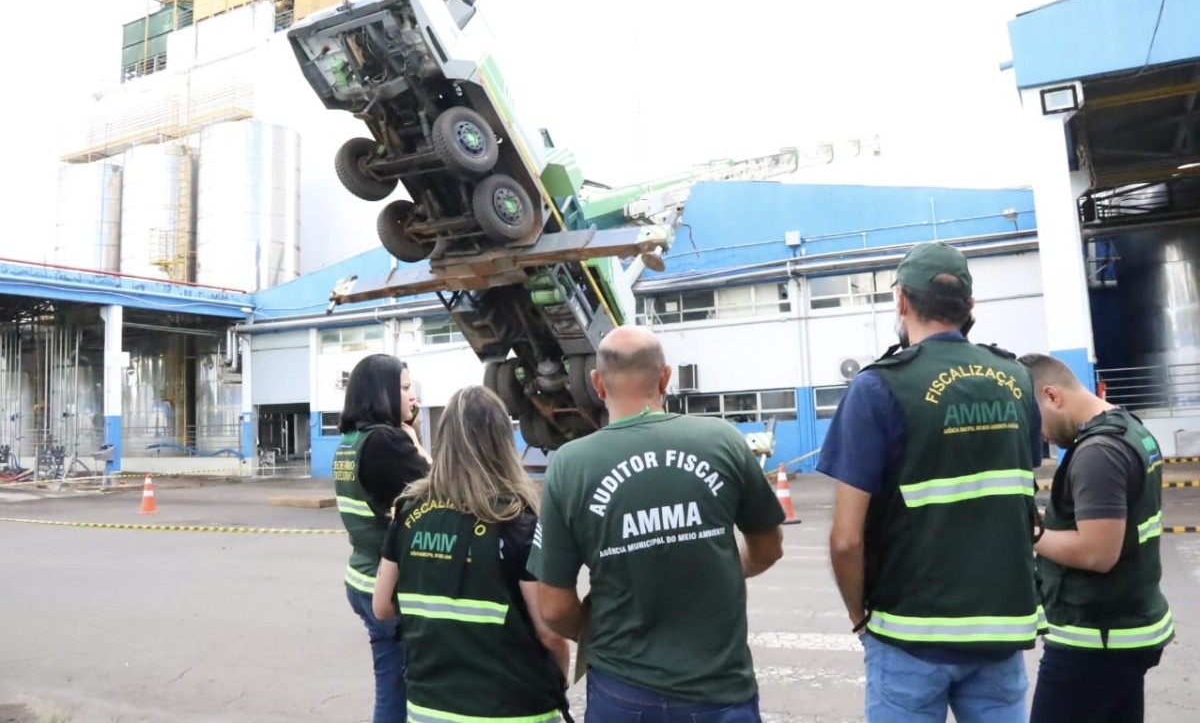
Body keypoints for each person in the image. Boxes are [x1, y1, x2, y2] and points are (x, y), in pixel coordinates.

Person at [818, 242, 1044, 722]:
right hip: (1001, 629)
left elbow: (845, 540)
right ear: (970, 309)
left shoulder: (878, 387)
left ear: (901, 301)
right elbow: (1022, 496)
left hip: (910, 633)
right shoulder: (1017, 379)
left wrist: (861, 620)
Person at [528, 325, 785, 721]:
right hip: (720, 687)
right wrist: (724, 568)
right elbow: (769, 547)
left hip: (622, 689)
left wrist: (603, 638)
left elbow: (554, 606)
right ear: (665, 377)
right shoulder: (723, 440)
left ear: (596, 384)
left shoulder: (570, 465)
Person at [372, 385, 571, 722]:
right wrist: (560, 680)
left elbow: (382, 605)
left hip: (428, 708)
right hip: (513, 709)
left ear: (445, 440)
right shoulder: (517, 521)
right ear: (502, 442)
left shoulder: (409, 512)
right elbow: (550, 631)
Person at [1017, 353, 1174, 723]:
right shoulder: (1130, 429)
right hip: (1127, 630)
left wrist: (1029, 533)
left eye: (1033, 419)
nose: (1036, 434)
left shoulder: (1097, 452)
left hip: (1094, 640)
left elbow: (1097, 553)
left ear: (1052, 396)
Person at [333, 353, 430, 723]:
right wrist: (413, 439)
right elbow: (439, 486)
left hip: (361, 577)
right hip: (387, 585)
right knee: (406, 693)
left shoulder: (351, 440)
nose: (412, 397)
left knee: (390, 686)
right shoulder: (386, 442)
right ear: (383, 392)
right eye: (405, 388)